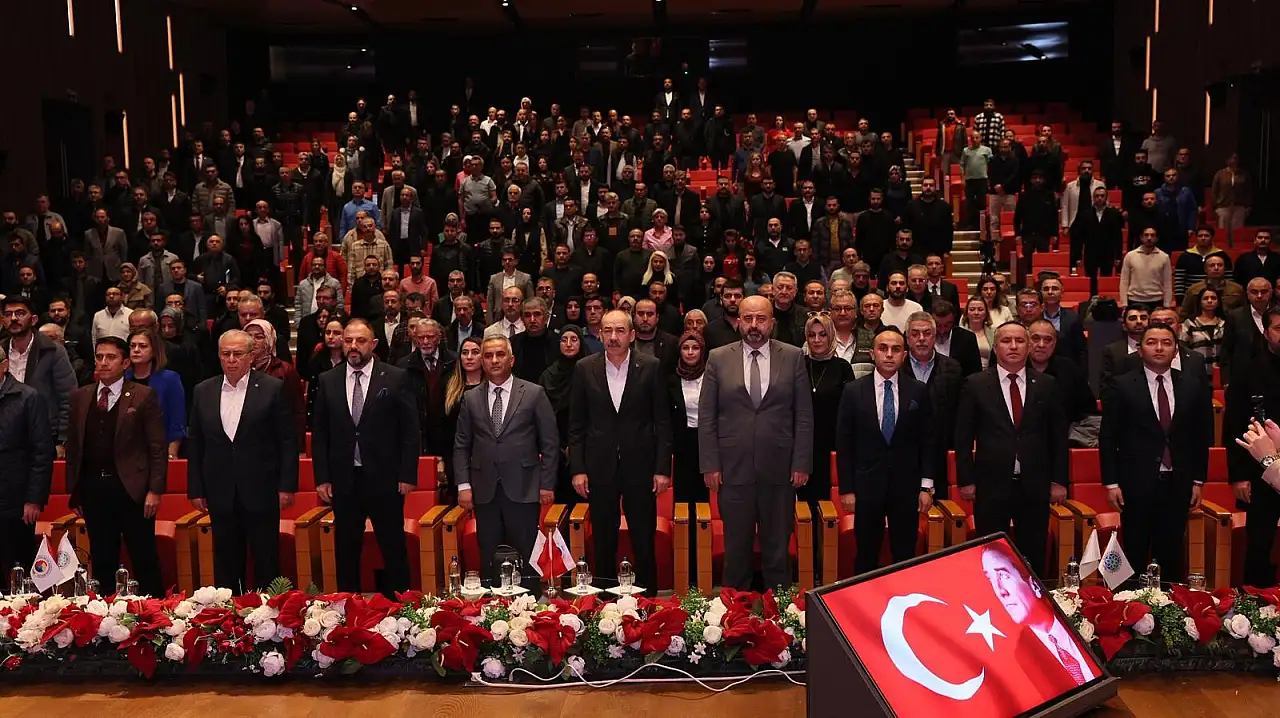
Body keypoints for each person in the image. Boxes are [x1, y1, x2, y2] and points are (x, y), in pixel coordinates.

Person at [699, 295, 814, 591]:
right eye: (748, 318)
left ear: (772, 323)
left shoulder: (792, 356)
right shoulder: (718, 357)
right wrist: (710, 464)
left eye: (760, 319)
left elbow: (803, 415)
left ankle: (781, 611)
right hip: (732, 469)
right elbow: (707, 416)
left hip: (780, 469)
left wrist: (801, 462)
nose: (754, 325)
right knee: (736, 550)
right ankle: (733, 611)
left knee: (777, 550)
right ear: (738, 321)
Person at [311, 319, 420, 596]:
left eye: (360, 341)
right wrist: (322, 477)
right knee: (346, 548)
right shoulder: (328, 380)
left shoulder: (395, 377)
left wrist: (407, 474)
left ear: (373, 344)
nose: (353, 346)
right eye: (348, 340)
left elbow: (410, 431)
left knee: (392, 545)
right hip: (344, 479)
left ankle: (402, 605)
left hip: (386, 478)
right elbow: (320, 434)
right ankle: (347, 606)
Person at [569, 310, 672, 595]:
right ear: (600, 334)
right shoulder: (584, 368)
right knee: (603, 539)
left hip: (641, 466)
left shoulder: (650, 367)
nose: (613, 337)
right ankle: (604, 603)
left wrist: (662, 469)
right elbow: (576, 425)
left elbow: (663, 423)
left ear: (632, 335)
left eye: (620, 331)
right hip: (599, 467)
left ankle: (647, 601)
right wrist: (578, 469)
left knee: (643, 538)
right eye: (607, 331)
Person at [186, 330, 299, 591]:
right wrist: (196, 489)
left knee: (266, 559)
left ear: (251, 356)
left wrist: (286, 486)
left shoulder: (272, 388)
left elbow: (287, 441)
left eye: (238, 354)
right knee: (226, 560)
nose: (231, 360)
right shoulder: (203, 390)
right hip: (220, 489)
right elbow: (196, 443)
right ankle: (228, 612)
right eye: (226, 354)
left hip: (262, 488)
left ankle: (270, 610)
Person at [1100, 322, 1212, 582]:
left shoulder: (1192, 384)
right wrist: (1111, 483)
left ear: (1176, 350)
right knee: (1135, 551)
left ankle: (1169, 604)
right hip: (1135, 482)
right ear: (1140, 350)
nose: (1159, 348)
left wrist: (1198, 481)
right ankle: (1131, 603)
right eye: (1151, 342)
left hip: (1178, 482)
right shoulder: (1122, 385)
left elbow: (1201, 436)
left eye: (1166, 343)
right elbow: (1108, 437)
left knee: (1171, 552)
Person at [955, 322, 1069, 577]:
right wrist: (966, 480)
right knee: (991, 552)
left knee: (1034, 551)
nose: (1014, 346)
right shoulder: (975, 384)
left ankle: (1035, 596)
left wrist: (1059, 480)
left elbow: (1058, 437)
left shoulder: (1047, 384)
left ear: (1028, 347)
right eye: (1006, 341)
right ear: (995, 348)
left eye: (1020, 341)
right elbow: (963, 437)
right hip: (990, 484)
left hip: (1035, 484)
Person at [453, 336, 558, 588]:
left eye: (500, 354)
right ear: (482, 361)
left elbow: (550, 443)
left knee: (527, 553)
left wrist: (546, 484)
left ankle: (530, 604)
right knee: (489, 554)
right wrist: (463, 485)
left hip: (524, 486)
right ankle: (492, 606)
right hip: (484, 489)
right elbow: (461, 445)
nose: (494, 360)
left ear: (511, 360)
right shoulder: (471, 398)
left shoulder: (533, 393)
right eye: (488, 355)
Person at [65, 336, 167, 596]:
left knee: (144, 557)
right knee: (102, 558)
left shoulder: (143, 396)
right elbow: (74, 447)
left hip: (132, 490)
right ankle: (105, 612)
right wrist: (75, 490)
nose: (103, 362)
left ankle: (155, 610)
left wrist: (155, 490)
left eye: (110, 357)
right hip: (94, 489)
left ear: (125, 363)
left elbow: (157, 447)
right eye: (99, 357)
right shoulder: (80, 396)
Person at [837, 326, 934, 572]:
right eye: (883, 348)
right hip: (866, 486)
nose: (889, 354)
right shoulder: (853, 391)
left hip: (906, 487)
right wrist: (847, 490)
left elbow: (928, 441)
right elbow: (845, 444)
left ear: (904, 355)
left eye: (896, 349)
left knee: (905, 553)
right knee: (866, 553)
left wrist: (926, 486)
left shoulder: (918, 390)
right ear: (872, 353)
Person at [981, 540, 1098, 690]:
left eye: (1003, 576)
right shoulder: (1020, 655)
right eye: (990, 580)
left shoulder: (1072, 616)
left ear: (1032, 582)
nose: (1000, 591)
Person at [1225, 307, 1280, 586]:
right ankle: (1255, 601)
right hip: (1257, 472)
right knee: (1259, 543)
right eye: (1279, 329)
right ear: (1266, 332)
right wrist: (1238, 476)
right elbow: (1234, 425)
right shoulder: (1248, 371)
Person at [0, 344, 53, 577]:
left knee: (18, 567)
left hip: (16, 499)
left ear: (4, 365)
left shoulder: (28, 397)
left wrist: (34, 499)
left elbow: (42, 452)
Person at [2, 295, 76, 457]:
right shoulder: (1, 352)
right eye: (8, 314)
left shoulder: (53, 351)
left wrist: (62, 439)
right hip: (6, 436)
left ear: (34, 319)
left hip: (43, 435)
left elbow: (68, 397)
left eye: (20, 313)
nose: (13, 318)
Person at [903, 311, 965, 499]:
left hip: (942, 452)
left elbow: (959, 413)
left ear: (935, 335)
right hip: (904, 454)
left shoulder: (952, 368)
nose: (921, 339)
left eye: (927, 333)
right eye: (915, 334)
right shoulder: (896, 368)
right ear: (907, 338)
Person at [800, 313, 855, 505]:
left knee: (830, 505)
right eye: (812, 335)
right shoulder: (798, 364)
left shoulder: (842, 367)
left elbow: (850, 412)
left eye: (822, 334)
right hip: (803, 447)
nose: (817, 340)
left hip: (833, 446)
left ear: (831, 336)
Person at [540, 325, 590, 505]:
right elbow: (543, 416)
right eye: (564, 340)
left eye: (574, 339)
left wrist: (576, 446)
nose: (568, 344)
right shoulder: (548, 376)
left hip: (587, 447)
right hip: (556, 448)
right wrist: (561, 446)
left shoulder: (591, 372)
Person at [124, 329, 185, 459]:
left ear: (154, 350)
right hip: (127, 451)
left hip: (159, 450)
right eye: (132, 346)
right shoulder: (123, 378)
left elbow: (177, 420)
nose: (136, 350)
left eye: (143, 346)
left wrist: (172, 453)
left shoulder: (170, 379)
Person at [1069, 186, 1124, 294]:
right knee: (1091, 280)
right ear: (1093, 197)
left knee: (1106, 279)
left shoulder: (1114, 214)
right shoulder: (1085, 214)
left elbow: (1118, 237)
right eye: (1097, 196)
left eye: (1102, 196)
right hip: (1090, 252)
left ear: (1106, 197)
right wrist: (1078, 256)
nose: (1099, 198)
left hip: (1108, 252)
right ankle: (1092, 299)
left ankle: (1105, 299)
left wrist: (1118, 256)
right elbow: (1079, 237)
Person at [1219, 277, 1271, 385]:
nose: (1259, 296)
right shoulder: (1235, 316)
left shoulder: (1277, 314)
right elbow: (1226, 351)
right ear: (1247, 294)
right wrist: (1226, 381)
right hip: (1243, 379)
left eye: (1264, 291)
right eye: (1254, 292)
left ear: (1271, 293)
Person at [1180, 287, 1226, 373]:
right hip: (1197, 370)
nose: (1209, 301)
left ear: (1219, 302)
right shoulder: (1190, 323)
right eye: (1205, 298)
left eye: (1213, 298)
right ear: (1199, 302)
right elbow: (1182, 347)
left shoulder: (1225, 322)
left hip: (1221, 370)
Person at [963, 295, 995, 369]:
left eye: (980, 309)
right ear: (966, 313)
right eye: (972, 309)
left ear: (986, 312)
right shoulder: (959, 333)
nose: (976, 313)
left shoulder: (994, 332)